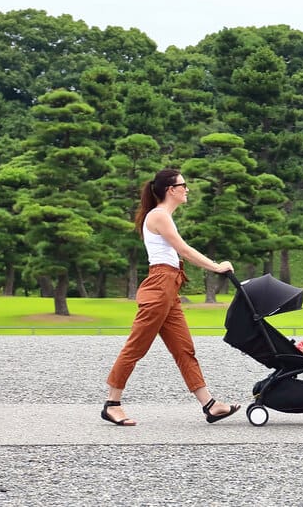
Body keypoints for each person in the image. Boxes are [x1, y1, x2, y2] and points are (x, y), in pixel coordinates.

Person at [102, 168, 241, 426]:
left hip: (170, 287)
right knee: (136, 347)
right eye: (183, 185)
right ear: (171, 190)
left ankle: (209, 405)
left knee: (184, 348)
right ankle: (112, 404)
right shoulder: (159, 216)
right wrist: (217, 266)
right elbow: (184, 251)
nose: (187, 189)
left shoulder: (163, 216)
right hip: (159, 287)